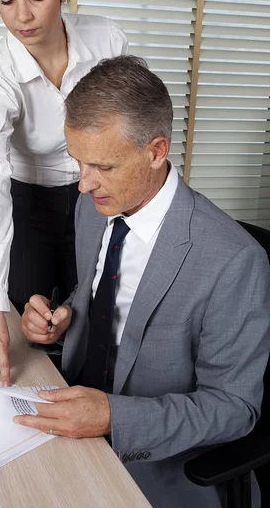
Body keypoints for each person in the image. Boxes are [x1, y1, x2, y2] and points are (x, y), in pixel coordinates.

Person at [17, 55, 270, 508]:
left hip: (159, 463)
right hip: (69, 424)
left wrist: (114, 416)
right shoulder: (95, 209)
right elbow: (98, 293)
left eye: (103, 166)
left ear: (156, 151)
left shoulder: (234, 261)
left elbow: (235, 407)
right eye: (78, 162)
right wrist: (62, 318)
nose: (83, 184)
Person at [0, 0, 128, 386]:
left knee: (96, 318)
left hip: (92, 194)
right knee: (35, 328)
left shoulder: (107, 42)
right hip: (25, 202)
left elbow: (130, 130)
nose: (21, 17)